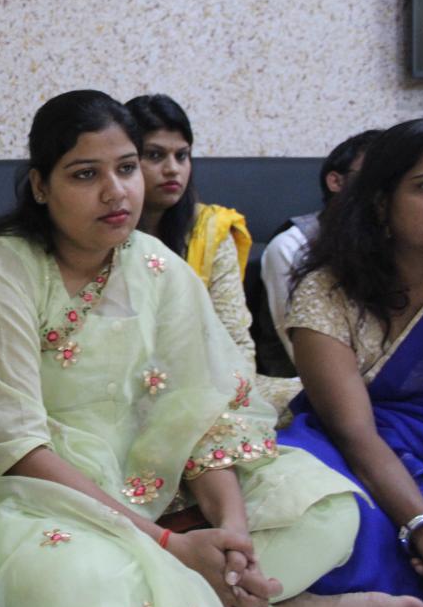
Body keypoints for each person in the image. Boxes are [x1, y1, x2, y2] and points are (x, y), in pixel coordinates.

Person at [0, 90, 423, 607]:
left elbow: (200, 415)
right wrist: (173, 548)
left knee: (325, 508)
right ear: (40, 186)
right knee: (78, 586)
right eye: (85, 174)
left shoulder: (157, 266)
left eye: (126, 168)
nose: (115, 191)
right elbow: (16, 447)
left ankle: (225, 594)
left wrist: (233, 537)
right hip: (40, 489)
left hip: (158, 478)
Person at [277, 118, 423, 607]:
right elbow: (356, 435)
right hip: (350, 449)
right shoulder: (327, 292)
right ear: (380, 202)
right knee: (328, 516)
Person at [125, 94, 301, 415]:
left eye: (182, 156)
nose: (172, 169)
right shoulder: (102, 230)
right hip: (123, 386)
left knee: (322, 395)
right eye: (155, 155)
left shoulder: (210, 228)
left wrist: (230, 398)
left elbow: (235, 339)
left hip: (211, 381)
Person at [261, 130, 381, 360]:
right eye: (373, 176)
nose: (384, 189)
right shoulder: (293, 245)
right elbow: (302, 355)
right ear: (336, 181)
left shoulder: (409, 242)